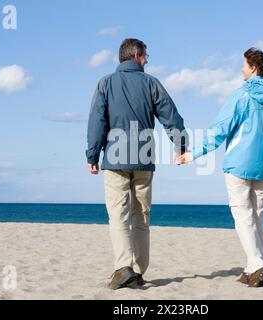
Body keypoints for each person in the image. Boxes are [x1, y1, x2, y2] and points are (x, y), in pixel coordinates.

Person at [178, 47, 263, 288]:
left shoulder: (241, 96)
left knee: (243, 214)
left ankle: (257, 265)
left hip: (239, 163)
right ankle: (252, 268)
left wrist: (192, 154)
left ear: (254, 68)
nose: (241, 69)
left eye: (244, 65)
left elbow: (219, 130)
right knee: (257, 216)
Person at [86, 38, 188, 290]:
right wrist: (181, 145)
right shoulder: (151, 83)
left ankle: (124, 268)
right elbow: (171, 116)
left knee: (118, 215)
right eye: (145, 56)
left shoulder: (105, 83)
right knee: (141, 215)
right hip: (144, 157)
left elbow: (96, 122)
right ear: (135, 55)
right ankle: (139, 271)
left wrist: (92, 155)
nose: (147, 60)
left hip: (115, 157)